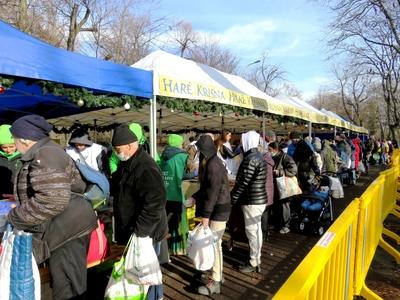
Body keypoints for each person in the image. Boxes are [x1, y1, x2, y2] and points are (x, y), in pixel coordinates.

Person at [7, 115, 97, 300]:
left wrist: (16, 216)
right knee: (68, 283)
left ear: (23, 139)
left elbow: (52, 200)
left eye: (14, 139)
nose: (13, 144)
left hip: (66, 231)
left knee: (67, 287)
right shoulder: (45, 151)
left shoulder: (45, 154)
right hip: (65, 227)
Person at [111, 124, 168, 300]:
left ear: (130, 145)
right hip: (136, 230)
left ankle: (153, 297)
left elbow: (155, 202)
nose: (116, 152)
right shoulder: (126, 163)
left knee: (145, 273)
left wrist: (141, 232)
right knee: (146, 272)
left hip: (146, 233)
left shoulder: (145, 166)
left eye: (118, 149)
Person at [187, 134, 231, 296]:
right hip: (218, 208)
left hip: (219, 209)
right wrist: (194, 197)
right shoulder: (211, 161)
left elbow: (212, 192)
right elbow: (206, 188)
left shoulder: (213, 165)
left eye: (198, 149)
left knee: (215, 244)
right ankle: (218, 273)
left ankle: (216, 280)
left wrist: (205, 215)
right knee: (215, 243)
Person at [231, 130, 267, 273]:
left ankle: (254, 261)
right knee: (255, 230)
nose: (241, 143)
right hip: (257, 199)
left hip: (252, 200)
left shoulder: (251, 158)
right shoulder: (257, 156)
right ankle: (255, 258)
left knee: (253, 231)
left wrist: (232, 199)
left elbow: (242, 182)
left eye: (242, 140)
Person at [160, 134, 189, 255]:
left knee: (166, 222)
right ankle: (179, 248)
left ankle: (167, 248)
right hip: (177, 194)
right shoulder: (183, 156)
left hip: (164, 194)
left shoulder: (162, 156)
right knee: (179, 220)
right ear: (179, 143)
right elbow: (186, 174)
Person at [268, 142, 297, 234]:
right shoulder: (272, 157)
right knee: (276, 205)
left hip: (283, 185)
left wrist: (279, 172)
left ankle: (286, 225)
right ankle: (277, 223)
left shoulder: (285, 157)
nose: (268, 151)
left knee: (284, 205)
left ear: (275, 149)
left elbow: (293, 170)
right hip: (274, 185)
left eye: (270, 150)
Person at [0, 124, 21, 197]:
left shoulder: (23, 157)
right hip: (2, 195)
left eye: (11, 146)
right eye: (4, 147)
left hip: (18, 194)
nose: (8, 150)